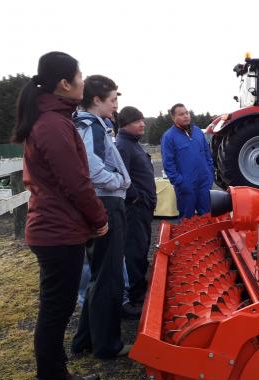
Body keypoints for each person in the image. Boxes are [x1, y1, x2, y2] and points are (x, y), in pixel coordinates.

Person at [13, 52, 107, 380]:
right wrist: (98, 218)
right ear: (64, 84)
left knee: (60, 307)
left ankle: (60, 377)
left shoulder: (55, 118)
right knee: (54, 313)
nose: (83, 82)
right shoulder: (52, 124)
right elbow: (76, 183)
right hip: (57, 232)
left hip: (58, 229)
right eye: (79, 76)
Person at [71, 75, 132, 359]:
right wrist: (119, 180)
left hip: (104, 200)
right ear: (96, 100)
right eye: (112, 100)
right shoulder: (91, 126)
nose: (116, 105)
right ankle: (107, 345)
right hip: (107, 202)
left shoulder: (91, 125)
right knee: (108, 275)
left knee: (99, 273)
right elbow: (92, 168)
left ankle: (84, 339)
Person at [116, 106, 157, 315]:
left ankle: (139, 288)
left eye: (142, 119)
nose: (142, 123)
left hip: (142, 207)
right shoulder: (123, 146)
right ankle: (134, 295)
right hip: (134, 209)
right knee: (134, 250)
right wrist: (137, 197)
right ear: (124, 124)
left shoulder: (132, 144)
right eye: (136, 121)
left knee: (141, 247)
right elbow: (122, 178)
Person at [161, 103, 214, 218]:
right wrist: (180, 182)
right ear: (173, 118)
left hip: (204, 183)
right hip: (186, 186)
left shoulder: (198, 132)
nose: (186, 116)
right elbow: (168, 164)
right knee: (186, 221)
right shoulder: (169, 137)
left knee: (207, 218)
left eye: (187, 113)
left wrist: (210, 175)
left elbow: (207, 155)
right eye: (181, 114)